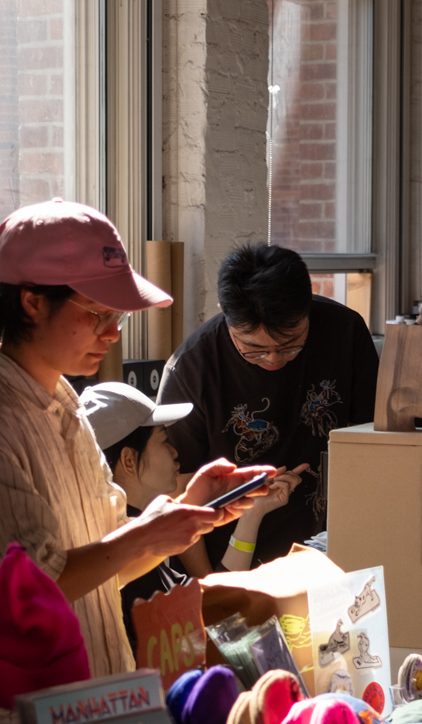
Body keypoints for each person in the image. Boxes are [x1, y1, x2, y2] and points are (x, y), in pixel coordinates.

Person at [0, 200, 274, 685]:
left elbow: (107, 565)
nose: (112, 334)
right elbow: (29, 596)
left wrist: (188, 513)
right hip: (25, 719)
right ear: (32, 303)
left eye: (117, 316)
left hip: (97, 702)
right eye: (97, 314)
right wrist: (147, 533)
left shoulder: (61, 404)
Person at [157, 242, 379, 567]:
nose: (273, 358)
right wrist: (208, 587)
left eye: (290, 345)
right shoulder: (193, 368)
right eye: (253, 349)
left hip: (329, 544)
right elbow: (178, 493)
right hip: (230, 555)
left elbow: (374, 445)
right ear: (224, 313)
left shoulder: (344, 331)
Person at [80, 381, 306, 646]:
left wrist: (252, 513)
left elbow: (211, 601)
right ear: (129, 460)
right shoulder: (127, 552)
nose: (175, 452)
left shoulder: (123, 534)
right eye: (164, 440)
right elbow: (213, 617)